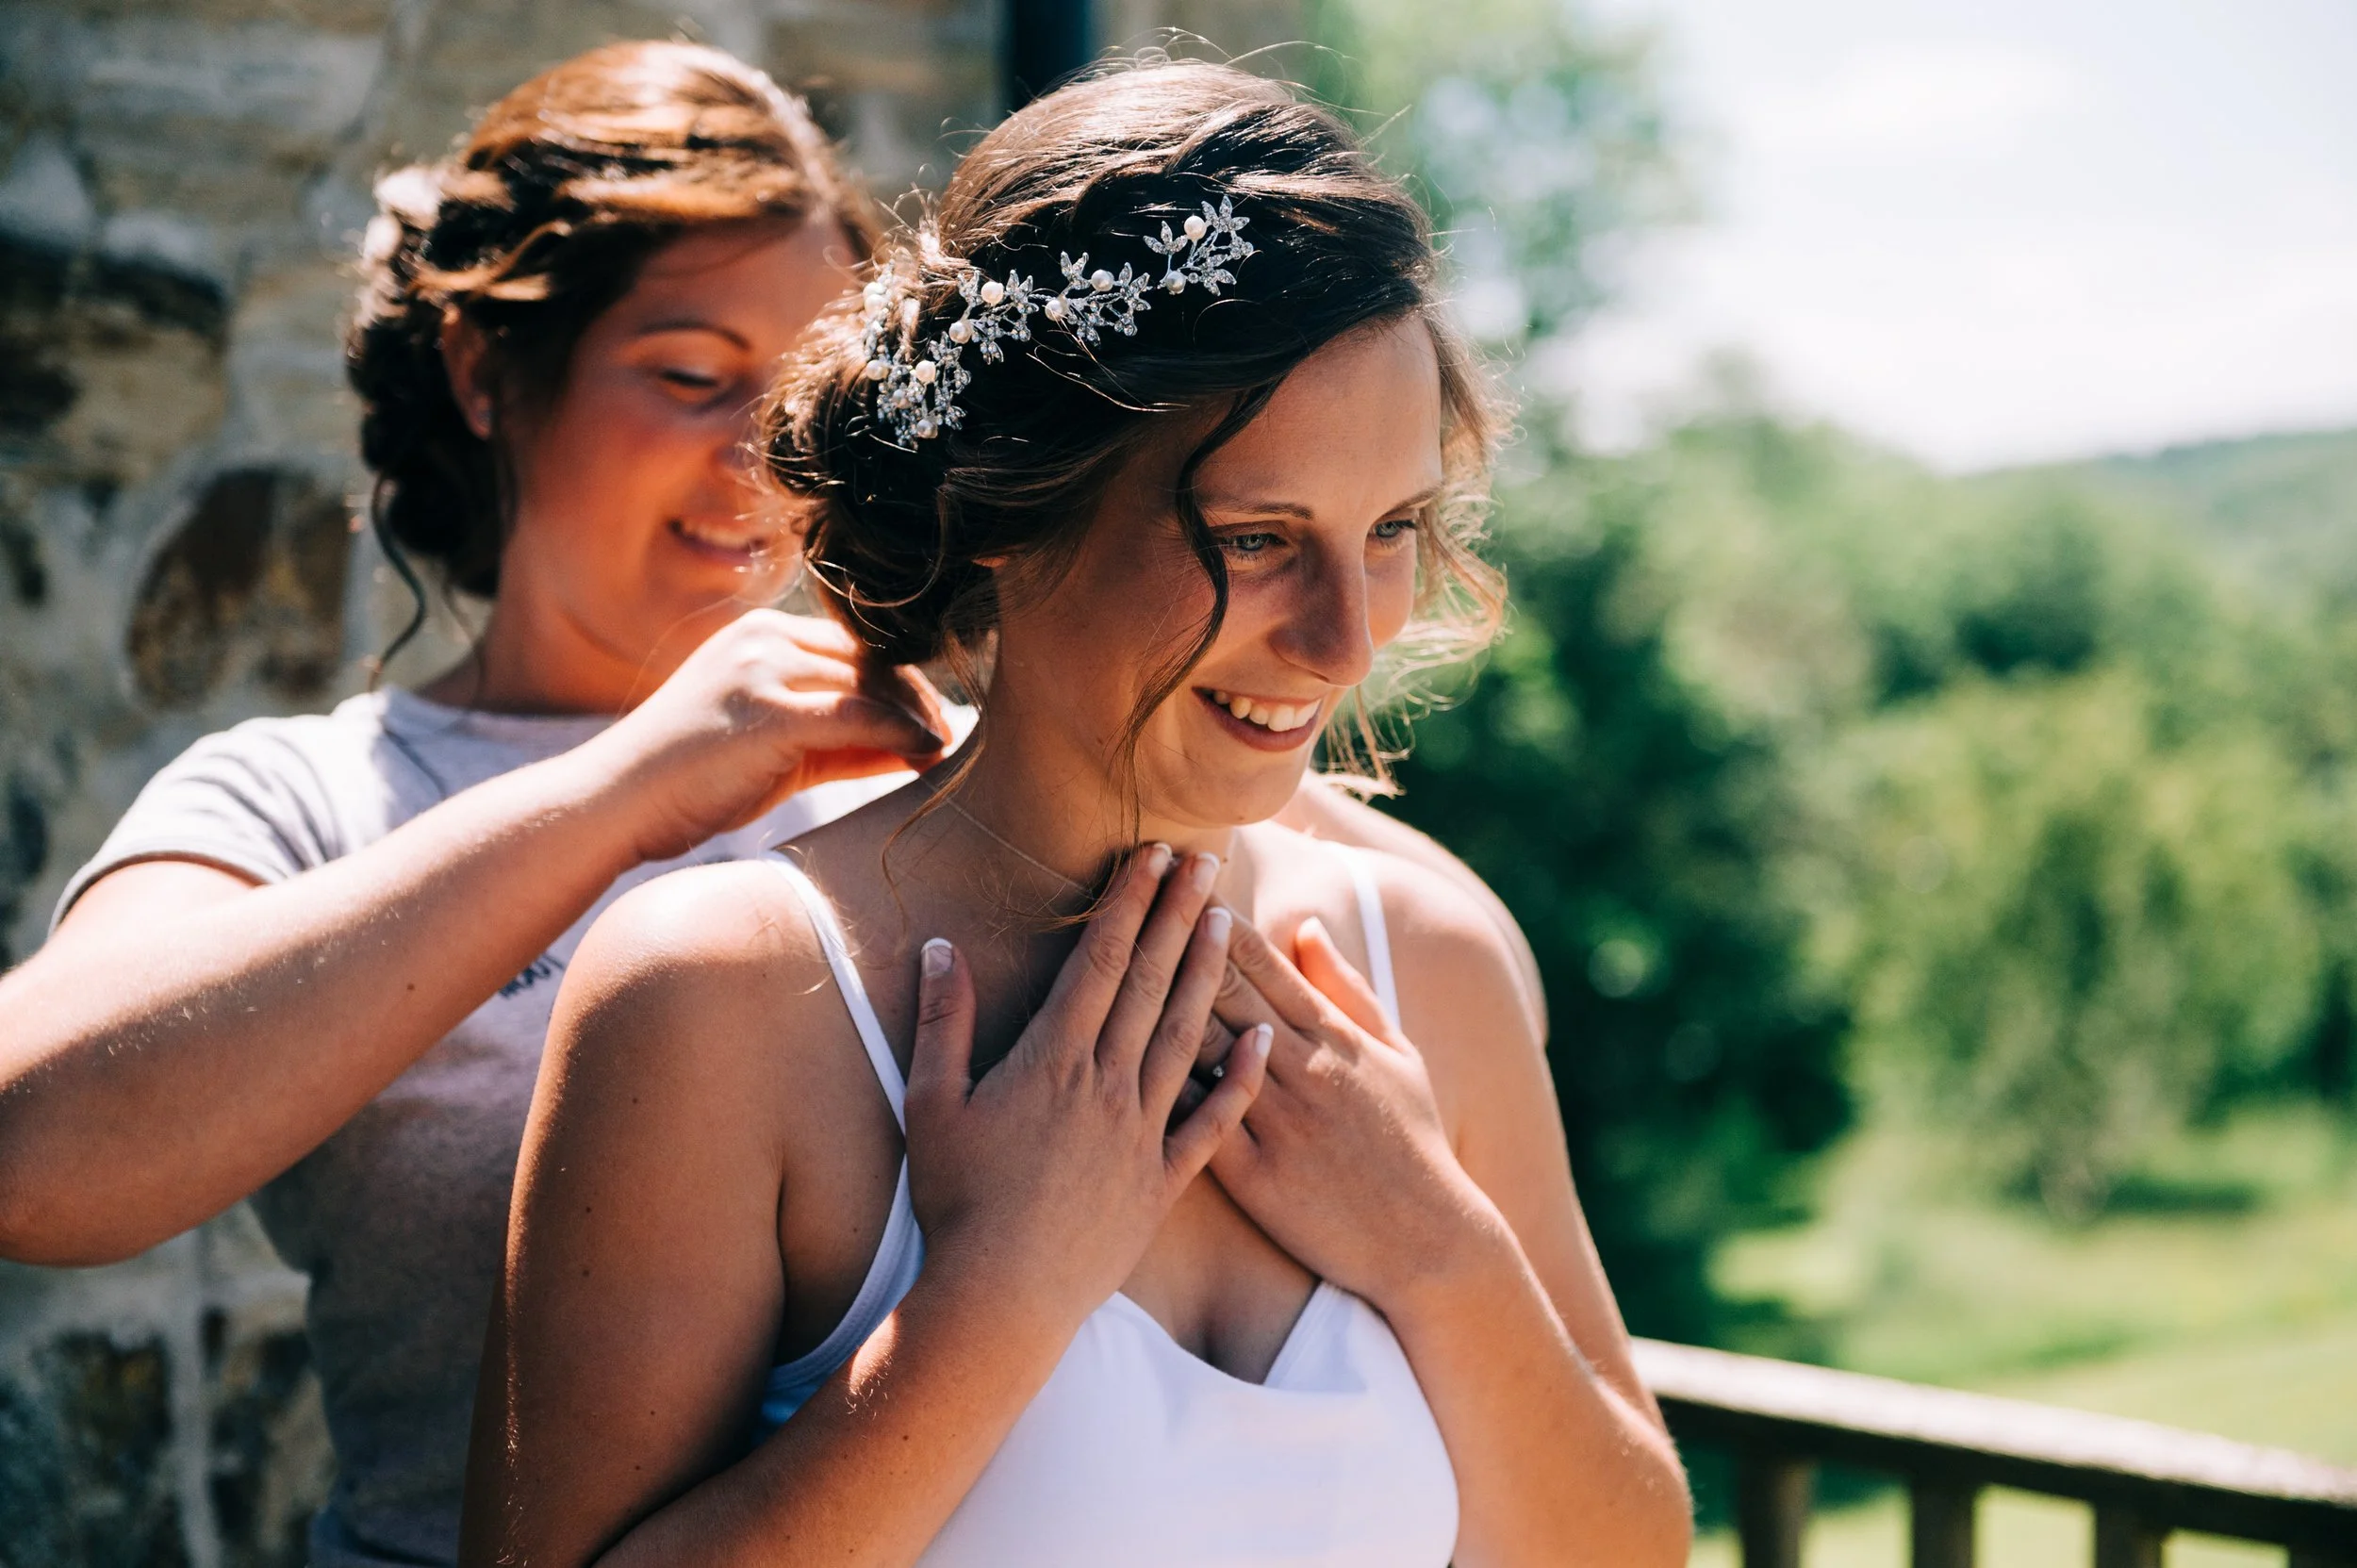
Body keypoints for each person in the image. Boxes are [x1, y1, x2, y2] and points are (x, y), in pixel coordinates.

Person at [0, 41, 1534, 1568]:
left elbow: (1366, 911)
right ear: (484, 374)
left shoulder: (999, 764)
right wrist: (623, 792)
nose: (758, 452)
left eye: (803, 376)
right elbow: (40, 1150)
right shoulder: (320, 796)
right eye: (689, 376)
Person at [465, 59, 1689, 1568]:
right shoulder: (727, 999)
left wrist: (1440, 1251)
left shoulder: (1427, 960)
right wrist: (999, 1296)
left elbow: (1623, 1547)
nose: (1345, 639)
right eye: (1254, 536)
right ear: (1004, 514)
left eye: (1387, 533)